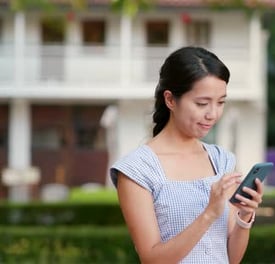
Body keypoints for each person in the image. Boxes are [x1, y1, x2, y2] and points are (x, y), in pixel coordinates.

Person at [110, 46, 264, 263]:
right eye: (202, 103)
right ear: (171, 100)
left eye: (220, 102)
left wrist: (244, 216)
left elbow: (232, 258)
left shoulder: (221, 160)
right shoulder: (136, 170)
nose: (213, 114)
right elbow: (152, 259)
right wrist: (209, 213)